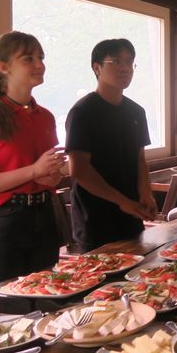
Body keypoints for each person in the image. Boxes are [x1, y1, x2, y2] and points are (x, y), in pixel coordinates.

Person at [0, 31, 65, 287]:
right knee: (6, 311)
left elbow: (46, 173)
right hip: (2, 223)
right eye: (28, 58)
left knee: (46, 301)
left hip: (44, 214)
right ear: (3, 66)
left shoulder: (45, 117)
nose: (40, 65)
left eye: (41, 57)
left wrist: (54, 173)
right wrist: (33, 171)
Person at [65, 38, 157, 252]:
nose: (125, 68)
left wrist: (145, 193)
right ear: (96, 68)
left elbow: (139, 158)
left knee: (137, 278)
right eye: (116, 61)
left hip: (131, 213)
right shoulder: (83, 112)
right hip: (95, 217)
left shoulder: (136, 112)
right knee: (102, 281)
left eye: (129, 62)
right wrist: (121, 201)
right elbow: (79, 169)